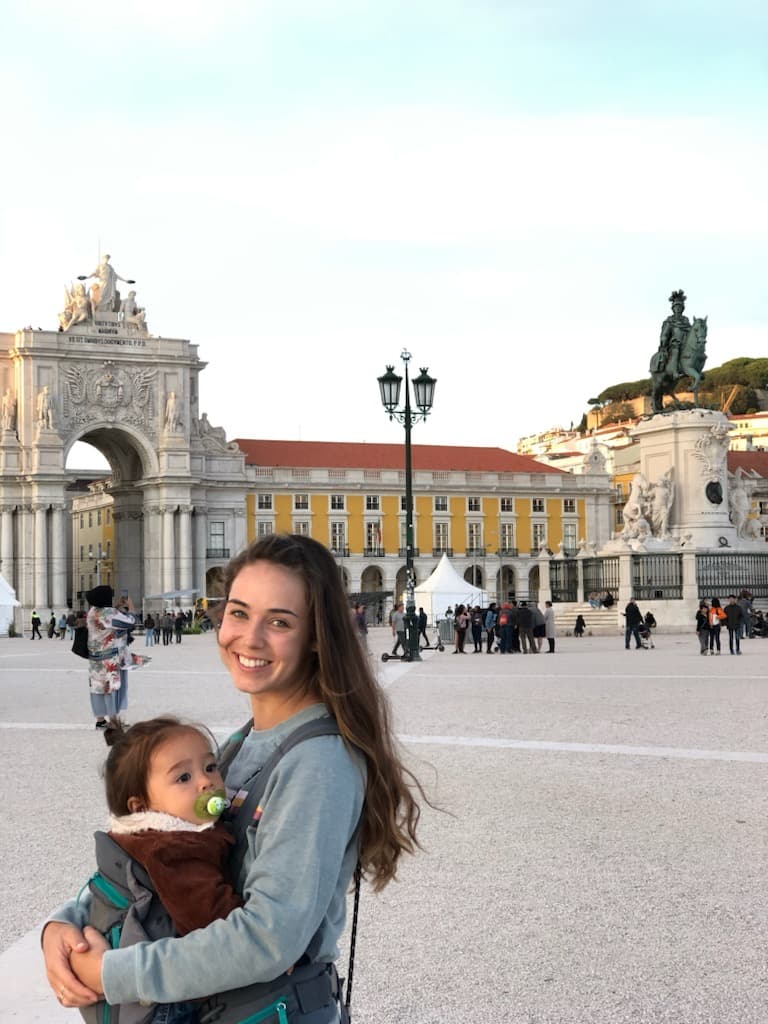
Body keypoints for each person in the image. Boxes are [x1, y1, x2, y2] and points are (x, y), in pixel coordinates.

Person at [43, 533, 425, 1023]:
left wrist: (113, 974)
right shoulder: (241, 743)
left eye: (280, 622)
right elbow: (162, 844)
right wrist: (64, 923)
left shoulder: (318, 764)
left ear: (315, 637)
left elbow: (269, 937)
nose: (250, 638)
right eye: (240, 612)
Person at [84, 585, 151, 731]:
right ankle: (114, 721)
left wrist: (117, 606)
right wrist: (131, 606)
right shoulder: (109, 613)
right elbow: (132, 621)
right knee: (111, 688)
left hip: (95, 658)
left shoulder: (92, 611)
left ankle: (100, 721)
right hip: (110, 658)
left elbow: (107, 619)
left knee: (97, 687)